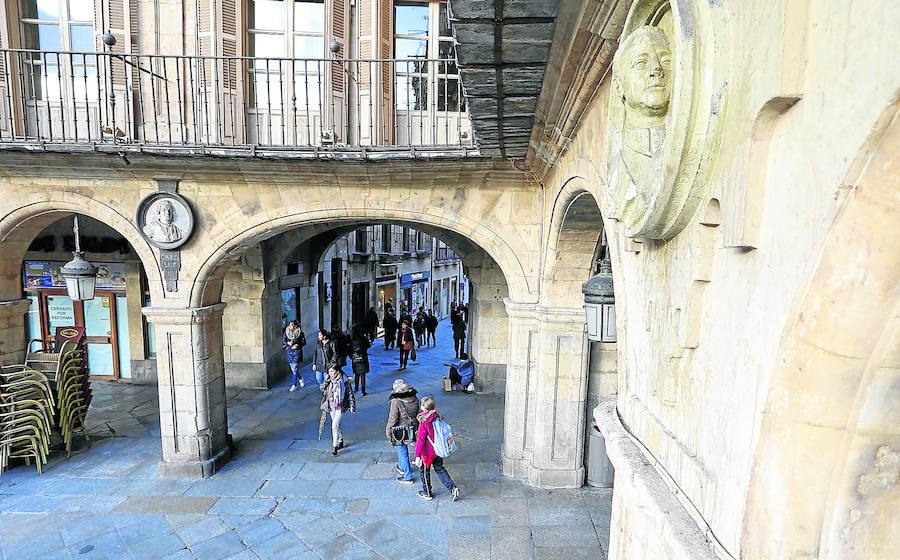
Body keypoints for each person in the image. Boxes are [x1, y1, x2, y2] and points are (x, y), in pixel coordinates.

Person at [414, 396, 460, 501]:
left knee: (425, 472)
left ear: (423, 407)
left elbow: (421, 440)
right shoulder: (437, 415)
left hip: (427, 452)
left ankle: (427, 492)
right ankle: (453, 488)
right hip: (438, 449)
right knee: (440, 469)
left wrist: (417, 456)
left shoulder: (424, 421)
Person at [386, 379, 419, 485]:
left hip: (400, 430)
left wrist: (388, 432)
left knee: (402, 451)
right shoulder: (414, 397)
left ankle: (407, 476)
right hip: (413, 427)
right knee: (408, 449)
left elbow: (393, 419)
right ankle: (401, 467)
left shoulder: (396, 401)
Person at [320, 364, 356, 456]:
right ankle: (340, 440)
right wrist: (325, 384)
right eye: (329, 371)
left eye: (332, 371)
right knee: (336, 425)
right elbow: (321, 389)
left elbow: (350, 394)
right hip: (331, 405)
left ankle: (335, 446)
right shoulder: (328, 380)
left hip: (341, 406)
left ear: (337, 371)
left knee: (334, 425)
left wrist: (352, 406)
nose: (330, 373)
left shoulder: (344, 381)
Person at [283, 320, 306, 391]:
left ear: (295, 326)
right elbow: (284, 341)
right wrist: (288, 343)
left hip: (297, 352)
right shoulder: (286, 332)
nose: (290, 326)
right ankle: (300, 379)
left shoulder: (300, 333)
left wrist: (298, 345)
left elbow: (304, 342)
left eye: (292, 325)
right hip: (290, 352)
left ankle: (294, 385)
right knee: (293, 370)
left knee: (295, 368)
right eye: (289, 325)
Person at [349, 325, 371, 395]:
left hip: (355, 359)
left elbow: (349, 350)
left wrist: (351, 356)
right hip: (363, 358)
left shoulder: (352, 340)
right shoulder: (364, 339)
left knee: (356, 374)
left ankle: (356, 387)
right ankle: (363, 390)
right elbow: (369, 345)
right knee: (363, 375)